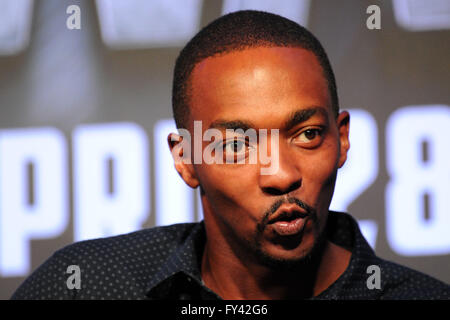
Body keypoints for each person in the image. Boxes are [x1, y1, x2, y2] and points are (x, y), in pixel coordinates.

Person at [12, 10, 449, 300]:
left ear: (343, 138)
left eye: (308, 134)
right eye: (237, 144)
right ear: (185, 159)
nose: (280, 174)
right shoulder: (87, 286)